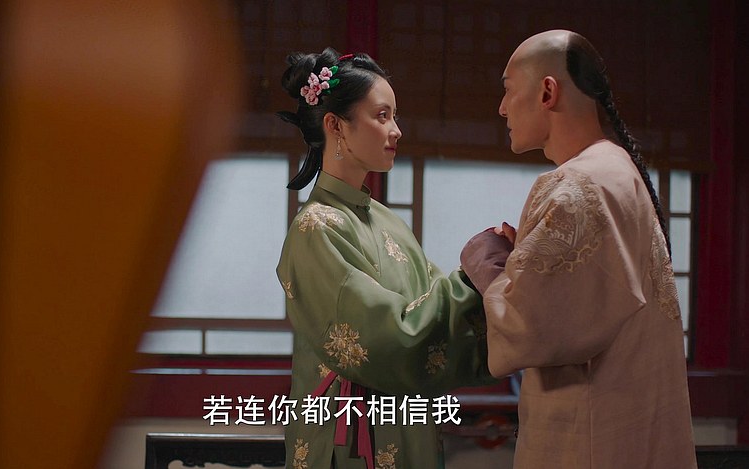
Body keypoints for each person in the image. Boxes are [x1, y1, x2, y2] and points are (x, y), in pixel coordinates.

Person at [460, 30, 697, 468]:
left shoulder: (575, 184)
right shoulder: (616, 168)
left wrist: (485, 258)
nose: (502, 107)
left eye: (509, 90)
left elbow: (525, 325)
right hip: (626, 423)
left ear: (547, 92)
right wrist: (526, 257)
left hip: (588, 436)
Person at [276, 47, 494, 469]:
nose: (396, 131)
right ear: (335, 125)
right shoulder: (316, 228)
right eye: (382, 116)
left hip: (405, 418)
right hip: (348, 435)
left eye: (394, 116)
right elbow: (387, 337)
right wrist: (473, 276)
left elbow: (435, 309)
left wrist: (498, 279)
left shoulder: (389, 223)